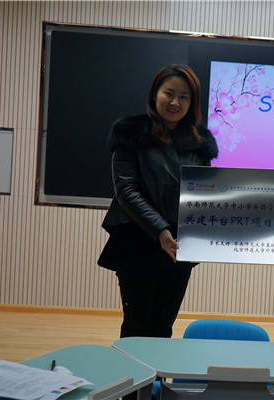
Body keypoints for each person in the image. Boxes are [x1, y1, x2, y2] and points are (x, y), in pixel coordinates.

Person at [98, 65, 218, 340]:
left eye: (184, 97)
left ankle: (157, 372)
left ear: (192, 103)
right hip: (137, 241)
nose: (175, 102)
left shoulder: (200, 142)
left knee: (163, 326)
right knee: (137, 325)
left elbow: (202, 196)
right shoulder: (130, 132)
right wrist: (160, 230)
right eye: (169, 93)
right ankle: (132, 371)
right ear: (155, 94)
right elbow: (126, 190)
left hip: (179, 245)